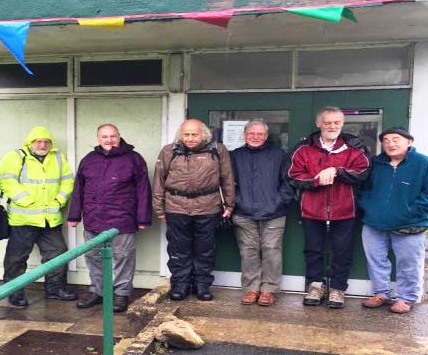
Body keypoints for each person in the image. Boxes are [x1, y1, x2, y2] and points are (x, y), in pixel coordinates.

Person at [287, 106, 370, 309]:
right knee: (313, 251)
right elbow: (292, 175)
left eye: (337, 122)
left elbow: (363, 172)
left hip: (345, 210)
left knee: (342, 251)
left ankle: (338, 288)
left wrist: (337, 171)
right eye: (327, 122)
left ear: (342, 124)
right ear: (319, 124)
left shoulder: (355, 147)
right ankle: (315, 285)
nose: (332, 126)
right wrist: (316, 180)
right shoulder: (303, 148)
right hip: (311, 210)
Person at [68, 124, 152, 313]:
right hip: (93, 218)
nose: (109, 140)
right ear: (98, 138)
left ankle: (122, 294)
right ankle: (98, 292)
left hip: (122, 219)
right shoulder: (89, 160)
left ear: (119, 136)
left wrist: (143, 219)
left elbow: (143, 190)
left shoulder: (133, 159)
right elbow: (78, 190)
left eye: (112, 136)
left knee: (123, 257)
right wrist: (74, 216)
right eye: (104, 136)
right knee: (93, 256)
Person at [359, 127, 428, 314]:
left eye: (396, 139)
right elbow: (363, 190)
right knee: (376, 260)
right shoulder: (376, 164)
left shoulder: (424, 163)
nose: (390, 143)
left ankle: (406, 298)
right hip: (374, 224)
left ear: (409, 142)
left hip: (409, 225)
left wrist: (409, 213)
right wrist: (370, 208)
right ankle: (381, 293)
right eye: (386, 140)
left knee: (408, 263)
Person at [153, 119, 235, 301]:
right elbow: (158, 180)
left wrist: (229, 205)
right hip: (176, 207)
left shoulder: (217, 150)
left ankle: (202, 285)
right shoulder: (169, 151)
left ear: (203, 135)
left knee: (204, 249)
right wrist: (159, 208)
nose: (190, 138)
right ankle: (181, 285)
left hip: (208, 207)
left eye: (194, 134)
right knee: (178, 249)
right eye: (186, 134)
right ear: (181, 135)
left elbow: (227, 178)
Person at [0, 126, 77, 307]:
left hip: (50, 218)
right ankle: (14, 292)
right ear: (30, 143)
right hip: (23, 219)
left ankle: (55, 289)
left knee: (57, 253)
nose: (42, 145)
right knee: (17, 258)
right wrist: (25, 200)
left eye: (46, 141)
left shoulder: (57, 157)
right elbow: (5, 180)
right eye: (38, 141)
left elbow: (68, 180)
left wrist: (59, 201)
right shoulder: (16, 156)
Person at [231, 120, 294, 306]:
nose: (255, 137)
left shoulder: (279, 155)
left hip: (274, 212)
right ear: (244, 134)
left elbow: (288, 182)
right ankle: (251, 289)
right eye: (252, 133)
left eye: (260, 134)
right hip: (243, 212)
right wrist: (235, 202)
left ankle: (268, 290)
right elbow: (227, 182)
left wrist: (280, 201)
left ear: (266, 136)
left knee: (271, 251)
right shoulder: (235, 156)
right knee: (248, 252)